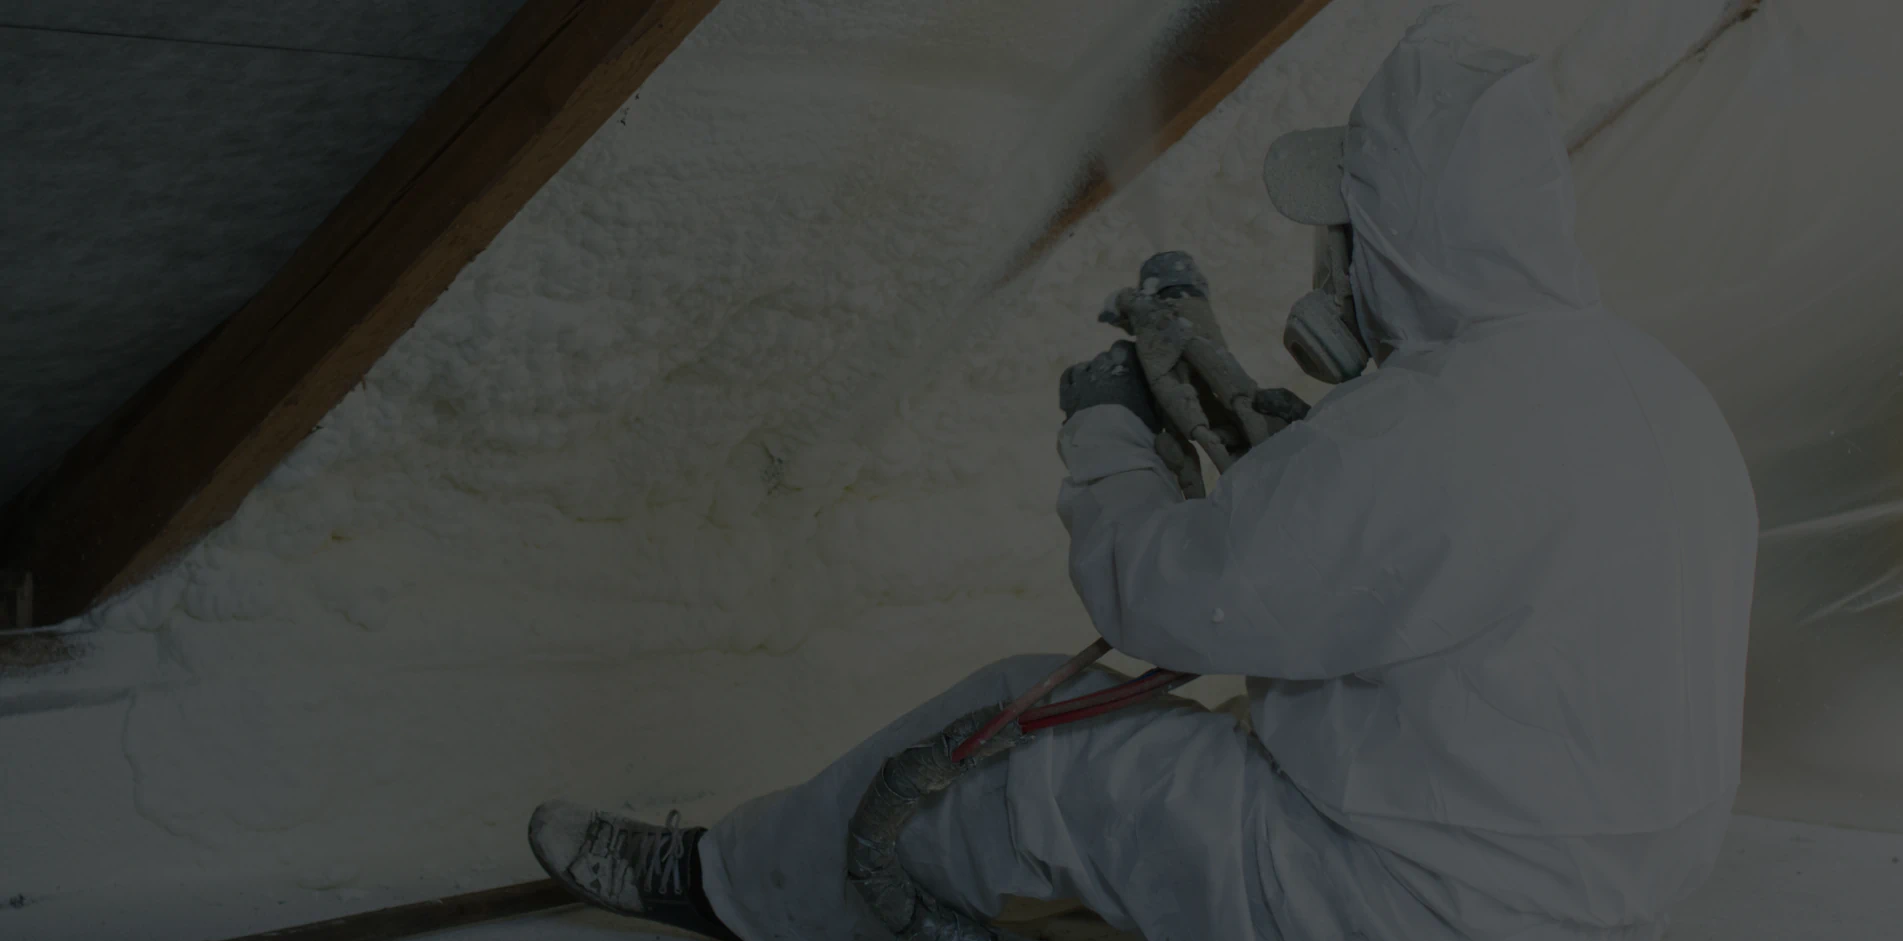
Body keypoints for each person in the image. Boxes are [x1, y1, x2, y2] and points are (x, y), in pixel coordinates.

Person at [525, 10, 1758, 941]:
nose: (1336, 263)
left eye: (1349, 233)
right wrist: (1284, 452)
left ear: (1396, 238)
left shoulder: (1426, 427)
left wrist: (1108, 438)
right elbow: (1450, 572)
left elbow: (1164, 602)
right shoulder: (1652, 390)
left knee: (1024, 742)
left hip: (1419, 901)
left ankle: (722, 887)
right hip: (1611, 891)